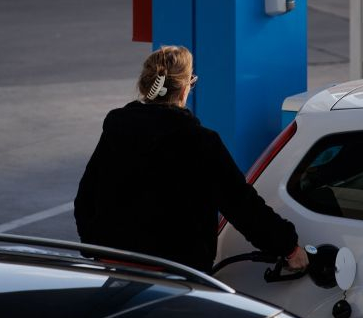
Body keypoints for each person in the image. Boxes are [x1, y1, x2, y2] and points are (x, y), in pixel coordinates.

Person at [75, 45, 309, 273]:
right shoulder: (200, 142)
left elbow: (85, 199)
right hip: (176, 271)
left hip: (114, 265)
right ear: (185, 89)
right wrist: (288, 247)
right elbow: (242, 205)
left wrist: (99, 244)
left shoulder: (117, 130)